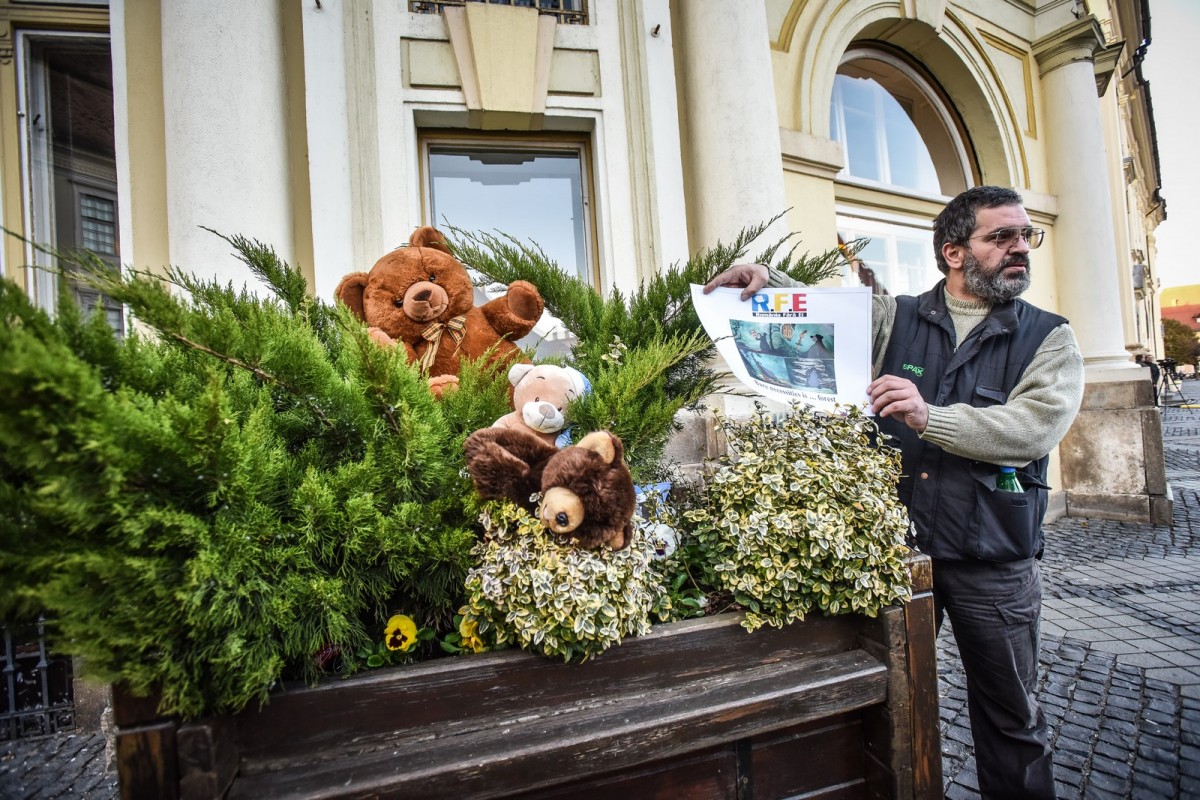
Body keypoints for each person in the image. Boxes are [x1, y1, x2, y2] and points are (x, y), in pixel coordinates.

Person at [704, 186, 1084, 799]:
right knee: (881, 705)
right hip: (894, 554)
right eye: (1001, 237)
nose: (1020, 249)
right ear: (953, 251)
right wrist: (766, 282)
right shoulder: (896, 316)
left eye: (1024, 236)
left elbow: (1034, 428)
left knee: (1012, 719)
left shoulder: (1049, 337)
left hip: (996, 561)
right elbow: (823, 323)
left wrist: (929, 416)